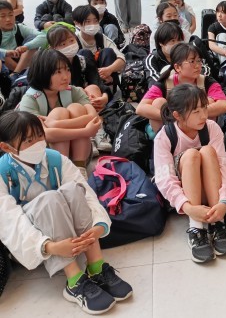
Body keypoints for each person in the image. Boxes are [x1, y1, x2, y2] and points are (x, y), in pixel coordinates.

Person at [0, 111, 133, 314]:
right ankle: (74, 281)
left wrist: (98, 225)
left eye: (40, 136)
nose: (38, 143)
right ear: (6, 147)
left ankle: (96, 267)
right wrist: (49, 246)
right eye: (28, 141)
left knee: (73, 189)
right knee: (49, 199)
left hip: (69, 236)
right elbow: (10, 222)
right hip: (33, 244)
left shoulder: (55, 159)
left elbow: (85, 192)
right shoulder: (2, 173)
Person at [154, 84, 226, 263]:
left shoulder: (211, 127)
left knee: (208, 151)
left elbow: (223, 165)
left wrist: (224, 201)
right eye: (196, 111)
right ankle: (196, 227)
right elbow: (165, 179)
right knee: (191, 155)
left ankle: (217, 222)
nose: (203, 115)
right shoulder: (165, 136)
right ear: (177, 115)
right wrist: (187, 207)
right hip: (185, 197)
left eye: (204, 108)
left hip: (212, 191)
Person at [18, 50, 102, 171]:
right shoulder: (30, 99)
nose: (65, 76)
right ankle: (62, 171)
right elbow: (45, 135)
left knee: (76, 108)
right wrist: (85, 131)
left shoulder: (74, 91)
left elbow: (94, 118)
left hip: (80, 154)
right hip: (42, 159)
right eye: (58, 72)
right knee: (59, 112)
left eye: (67, 70)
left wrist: (54, 124)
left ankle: (80, 168)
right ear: (42, 72)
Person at [137, 43, 226, 132]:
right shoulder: (165, 83)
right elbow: (141, 108)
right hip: (173, 128)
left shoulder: (207, 82)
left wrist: (191, 115)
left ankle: (205, 139)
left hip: (201, 130)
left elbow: (224, 105)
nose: (198, 66)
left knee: (210, 101)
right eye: (192, 61)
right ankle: (164, 139)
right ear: (177, 67)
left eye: (199, 61)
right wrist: (176, 117)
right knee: (158, 102)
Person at [47, 24, 110, 112]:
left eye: (71, 40)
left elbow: (97, 82)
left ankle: (94, 114)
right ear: (52, 48)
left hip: (84, 99)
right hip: (61, 105)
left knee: (92, 88)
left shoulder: (82, 61)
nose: (69, 46)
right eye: (63, 44)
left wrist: (104, 97)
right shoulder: (49, 67)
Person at [72, 5, 125, 91]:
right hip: (86, 84)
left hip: (106, 79)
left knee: (108, 51)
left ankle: (109, 89)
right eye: (88, 22)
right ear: (77, 23)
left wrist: (109, 69)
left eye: (95, 21)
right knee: (83, 53)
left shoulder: (101, 38)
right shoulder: (73, 41)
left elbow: (122, 59)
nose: (92, 25)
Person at [0, 0, 47, 75]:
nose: (8, 19)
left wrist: (26, 47)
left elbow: (44, 36)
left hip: (23, 62)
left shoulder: (20, 28)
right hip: (4, 67)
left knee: (32, 39)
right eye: (2, 16)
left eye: (11, 15)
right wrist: (6, 52)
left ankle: (16, 74)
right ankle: (20, 74)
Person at [145, 21, 184, 86]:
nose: (177, 44)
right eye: (173, 41)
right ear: (161, 43)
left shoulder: (186, 55)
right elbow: (153, 81)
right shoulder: (152, 59)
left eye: (179, 40)